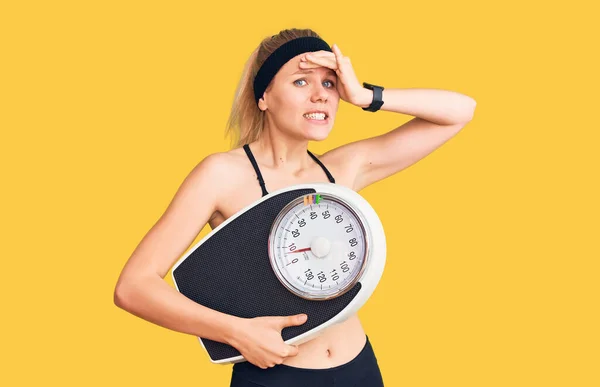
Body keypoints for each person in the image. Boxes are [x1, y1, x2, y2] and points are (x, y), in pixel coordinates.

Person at [114, 28, 476, 386]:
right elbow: (134, 287)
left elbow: (461, 111)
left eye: (330, 84)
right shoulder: (222, 175)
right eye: (302, 82)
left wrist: (365, 95)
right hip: (274, 377)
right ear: (264, 97)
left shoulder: (342, 169)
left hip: (359, 369)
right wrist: (237, 332)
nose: (321, 96)